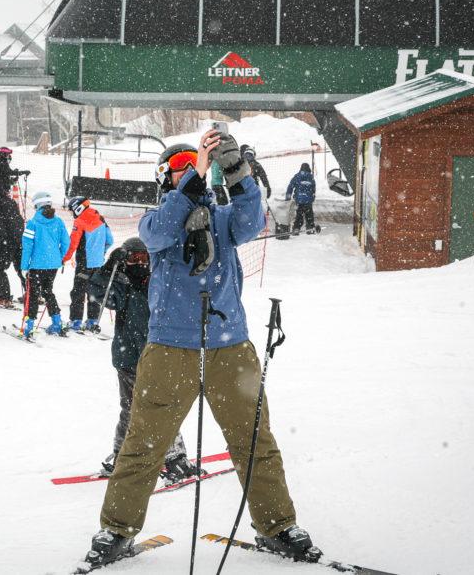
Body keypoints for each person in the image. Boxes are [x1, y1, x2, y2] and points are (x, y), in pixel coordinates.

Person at [81, 130, 320, 569]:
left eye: (196, 163)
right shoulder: (154, 222)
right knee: (143, 444)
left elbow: (252, 220)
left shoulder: (223, 219)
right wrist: (192, 184)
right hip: (170, 349)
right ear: (163, 180)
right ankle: (116, 529)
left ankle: (277, 526)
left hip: (230, 347)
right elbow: (163, 231)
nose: (190, 171)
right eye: (179, 168)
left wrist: (237, 175)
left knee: (254, 442)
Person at [88, 238, 196, 481]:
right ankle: (121, 455)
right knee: (131, 409)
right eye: (132, 258)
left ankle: (174, 458)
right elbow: (98, 295)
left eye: (143, 258)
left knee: (163, 408)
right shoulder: (122, 286)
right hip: (128, 358)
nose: (138, 263)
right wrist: (108, 269)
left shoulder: (159, 284)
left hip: (159, 357)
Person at [20, 191, 70, 338]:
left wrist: (24, 266)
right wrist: (59, 257)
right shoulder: (59, 222)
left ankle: (29, 326)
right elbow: (66, 242)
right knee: (48, 291)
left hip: (36, 265)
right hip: (53, 265)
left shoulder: (33, 223)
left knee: (33, 294)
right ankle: (57, 322)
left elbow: (27, 246)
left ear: (37, 205)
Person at [62, 196, 113, 333]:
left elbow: (73, 244)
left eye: (72, 210)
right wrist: (101, 252)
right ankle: (92, 321)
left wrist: (64, 258)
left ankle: (76, 321)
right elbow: (110, 240)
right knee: (94, 293)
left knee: (78, 292)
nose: (73, 213)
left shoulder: (79, 221)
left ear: (78, 208)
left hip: (84, 264)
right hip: (98, 264)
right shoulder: (100, 218)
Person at [285, 163, 317, 235]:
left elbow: (290, 187)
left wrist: (288, 197)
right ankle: (310, 228)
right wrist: (312, 197)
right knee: (309, 214)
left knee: (299, 214)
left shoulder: (297, 176)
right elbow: (313, 188)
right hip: (308, 200)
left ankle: (296, 228)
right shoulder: (310, 177)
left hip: (299, 199)